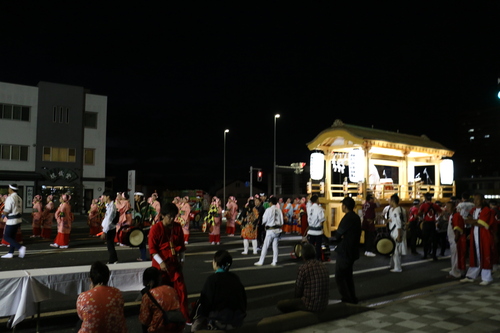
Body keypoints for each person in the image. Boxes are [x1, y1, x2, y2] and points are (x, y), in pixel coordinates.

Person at [149, 203, 189, 321]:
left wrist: (182, 262)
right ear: (162, 216)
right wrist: (161, 263)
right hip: (160, 267)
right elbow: (152, 250)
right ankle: (159, 318)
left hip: (174, 265)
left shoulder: (177, 227)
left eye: (174, 216)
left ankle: (185, 317)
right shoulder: (155, 229)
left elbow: (181, 247)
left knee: (181, 292)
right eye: (170, 216)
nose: (172, 219)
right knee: (161, 294)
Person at [192, 250, 246, 331]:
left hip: (218, 320)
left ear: (216, 263)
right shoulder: (235, 278)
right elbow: (243, 300)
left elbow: (205, 302)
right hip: (236, 320)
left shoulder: (212, 279)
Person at [277, 243, 329, 314]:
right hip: (323, 304)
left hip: (310, 305)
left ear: (303, 256)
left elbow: (298, 289)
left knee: (281, 304)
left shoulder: (303, 268)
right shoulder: (323, 266)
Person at [76, 261, 127, 333]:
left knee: (79, 323)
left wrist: (92, 290)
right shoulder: (117, 293)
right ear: (108, 278)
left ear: (91, 279)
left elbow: (81, 316)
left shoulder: (83, 297)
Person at [461, 193, 495, 286]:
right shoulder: (474, 210)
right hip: (476, 235)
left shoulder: (486, 210)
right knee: (475, 255)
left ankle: (487, 278)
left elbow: (481, 223)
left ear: (482, 200)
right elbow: (471, 219)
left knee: (485, 255)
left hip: (484, 236)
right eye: (474, 199)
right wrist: (474, 221)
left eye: (477, 199)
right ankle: (471, 276)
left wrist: (472, 221)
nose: (475, 201)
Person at [139, 267, 185, 333]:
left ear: (149, 282)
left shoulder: (147, 296)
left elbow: (144, 319)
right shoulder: (171, 289)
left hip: (159, 328)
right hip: (176, 326)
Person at [334, 196, 361, 304]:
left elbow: (337, 234)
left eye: (342, 205)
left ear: (345, 206)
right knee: (348, 276)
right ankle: (352, 297)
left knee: (340, 276)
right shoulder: (356, 217)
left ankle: (347, 298)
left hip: (345, 250)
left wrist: (340, 235)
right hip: (353, 250)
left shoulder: (347, 218)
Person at [254, 196, 283, 266]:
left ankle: (261, 261)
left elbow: (264, 220)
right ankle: (274, 261)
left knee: (265, 246)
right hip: (278, 230)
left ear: (270, 203)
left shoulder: (268, 210)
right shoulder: (279, 210)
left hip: (270, 230)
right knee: (275, 246)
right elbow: (282, 222)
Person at [1, 184, 26, 259]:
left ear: (11, 189)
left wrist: (2, 216)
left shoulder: (10, 197)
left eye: (9, 188)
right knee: (12, 237)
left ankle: (20, 247)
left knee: (6, 237)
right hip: (18, 219)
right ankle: (10, 253)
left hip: (12, 220)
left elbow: (7, 210)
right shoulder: (19, 198)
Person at [418, 192, 442, 260]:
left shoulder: (423, 205)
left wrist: (422, 218)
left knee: (425, 240)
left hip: (426, 223)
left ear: (425, 198)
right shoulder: (435, 205)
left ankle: (425, 255)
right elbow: (441, 212)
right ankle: (434, 255)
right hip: (432, 224)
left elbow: (419, 213)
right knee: (434, 240)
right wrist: (437, 219)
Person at [446, 199, 466, 278]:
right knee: (455, 256)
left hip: (455, 240)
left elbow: (457, 228)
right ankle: (455, 271)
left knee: (456, 257)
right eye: (446, 206)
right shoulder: (452, 215)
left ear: (454, 207)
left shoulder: (456, 215)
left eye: (448, 207)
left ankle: (456, 273)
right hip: (453, 239)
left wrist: (456, 238)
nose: (447, 208)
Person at [134, 192, 156, 261]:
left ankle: (143, 257)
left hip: (142, 226)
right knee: (147, 241)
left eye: (136, 196)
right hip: (148, 225)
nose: (135, 197)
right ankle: (151, 256)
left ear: (139, 197)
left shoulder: (139, 205)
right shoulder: (148, 204)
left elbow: (138, 216)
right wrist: (151, 220)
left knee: (141, 241)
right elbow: (154, 213)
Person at [387, 194, 407, 272]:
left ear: (393, 201)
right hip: (402, 230)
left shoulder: (396, 211)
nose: (389, 202)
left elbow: (398, 223)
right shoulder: (402, 209)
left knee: (396, 250)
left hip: (396, 231)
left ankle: (397, 267)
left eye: (390, 200)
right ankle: (394, 265)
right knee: (395, 249)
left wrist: (399, 235)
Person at [101, 191, 119, 264]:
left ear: (108, 196)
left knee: (110, 245)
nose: (103, 198)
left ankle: (113, 260)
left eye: (104, 196)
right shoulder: (109, 205)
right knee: (110, 245)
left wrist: (104, 231)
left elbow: (109, 220)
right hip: (109, 228)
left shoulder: (112, 207)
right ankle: (114, 259)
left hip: (110, 228)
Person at [307, 195, 325, 261]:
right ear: (317, 200)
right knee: (318, 247)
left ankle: (310, 259)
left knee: (311, 246)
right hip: (318, 232)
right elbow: (321, 220)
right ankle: (317, 259)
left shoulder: (309, 208)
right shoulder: (319, 209)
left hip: (310, 231)